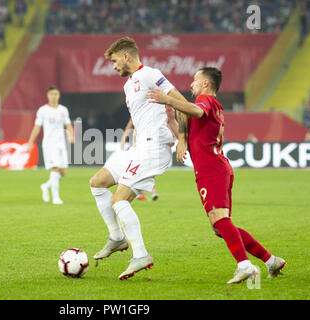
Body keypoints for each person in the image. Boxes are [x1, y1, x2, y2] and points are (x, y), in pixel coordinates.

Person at [146, 67, 286, 284]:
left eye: (195, 80)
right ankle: (271, 261)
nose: (191, 84)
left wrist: (169, 99)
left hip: (212, 169)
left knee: (220, 220)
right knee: (220, 226)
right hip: (215, 168)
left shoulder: (207, 102)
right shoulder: (204, 105)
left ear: (205, 84)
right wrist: (180, 134)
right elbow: (187, 116)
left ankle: (244, 265)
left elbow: (197, 111)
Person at [89, 37, 186, 280]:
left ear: (126, 57)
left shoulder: (150, 74)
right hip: (139, 146)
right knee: (97, 182)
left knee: (119, 201)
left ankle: (141, 255)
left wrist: (182, 138)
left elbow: (182, 103)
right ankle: (117, 237)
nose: (113, 66)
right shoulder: (129, 84)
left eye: (114, 61)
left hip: (154, 147)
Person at [27, 86, 74, 204]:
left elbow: (68, 124)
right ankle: (56, 198)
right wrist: (30, 142)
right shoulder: (42, 110)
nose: (54, 96)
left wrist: (72, 136)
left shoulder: (63, 110)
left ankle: (45, 186)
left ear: (59, 95)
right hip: (49, 143)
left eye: (56, 94)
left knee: (62, 171)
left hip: (61, 143)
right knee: (55, 168)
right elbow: (37, 127)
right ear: (48, 95)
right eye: (51, 94)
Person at [120, 118, 159, 201]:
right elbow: (130, 124)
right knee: (146, 167)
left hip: (147, 142)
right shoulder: (140, 111)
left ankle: (143, 192)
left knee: (145, 168)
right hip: (141, 143)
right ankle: (149, 191)